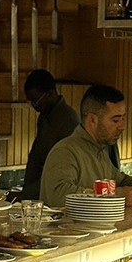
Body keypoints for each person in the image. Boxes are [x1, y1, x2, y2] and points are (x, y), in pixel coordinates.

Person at [39, 84, 132, 208]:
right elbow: (58, 195)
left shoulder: (99, 151)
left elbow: (120, 181)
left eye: (123, 119)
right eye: (115, 120)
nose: (122, 127)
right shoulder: (65, 151)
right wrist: (115, 196)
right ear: (92, 120)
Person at [20, 70, 80, 200]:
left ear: (50, 94)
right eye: (31, 102)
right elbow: (36, 156)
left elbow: (59, 168)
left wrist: (28, 194)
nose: (34, 106)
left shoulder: (68, 120)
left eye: (36, 101)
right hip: (40, 186)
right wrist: (26, 189)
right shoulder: (44, 117)